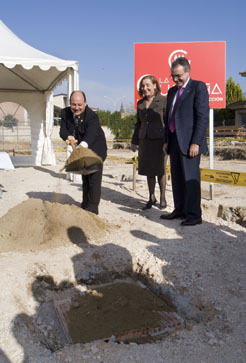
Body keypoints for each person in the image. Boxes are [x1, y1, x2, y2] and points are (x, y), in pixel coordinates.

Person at [160, 57, 209, 226]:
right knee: (178, 179)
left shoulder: (198, 87)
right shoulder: (172, 92)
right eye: (173, 76)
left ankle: (194, 215)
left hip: (190, 144)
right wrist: (167, 140)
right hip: (173, 142)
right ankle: (180, 210)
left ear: (188, 72)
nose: (175, 79)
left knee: (190, 179)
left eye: (179, 75)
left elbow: (202, 117)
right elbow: (169, 118)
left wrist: (196, 142)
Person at [60, 90, 107, 215]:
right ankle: (85, 204)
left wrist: (81, 147)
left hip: (96, 149)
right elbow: (63, 130)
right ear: (69, 103)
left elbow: (90, 135)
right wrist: (69, 136)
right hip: (81, 147)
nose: (76, 108)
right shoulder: (64, 113)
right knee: (85, 176)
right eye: (73, 104)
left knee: (94, 179)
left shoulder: (92, 116)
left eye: (79, 104)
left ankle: (92, 210)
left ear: (85, 103)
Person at [131, 75, 167, 210]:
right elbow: (138, 124)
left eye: (147, 85)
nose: (144, 88)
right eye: (142, 86)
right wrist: (134, 141)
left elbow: (168, 122)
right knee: (148, 171)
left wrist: (167, 141)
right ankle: (151, 197)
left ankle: (163, 197)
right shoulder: (140, 103)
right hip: (144, 141)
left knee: (160, 170)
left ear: (155, 85)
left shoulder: (164, 100)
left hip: (160, 142)